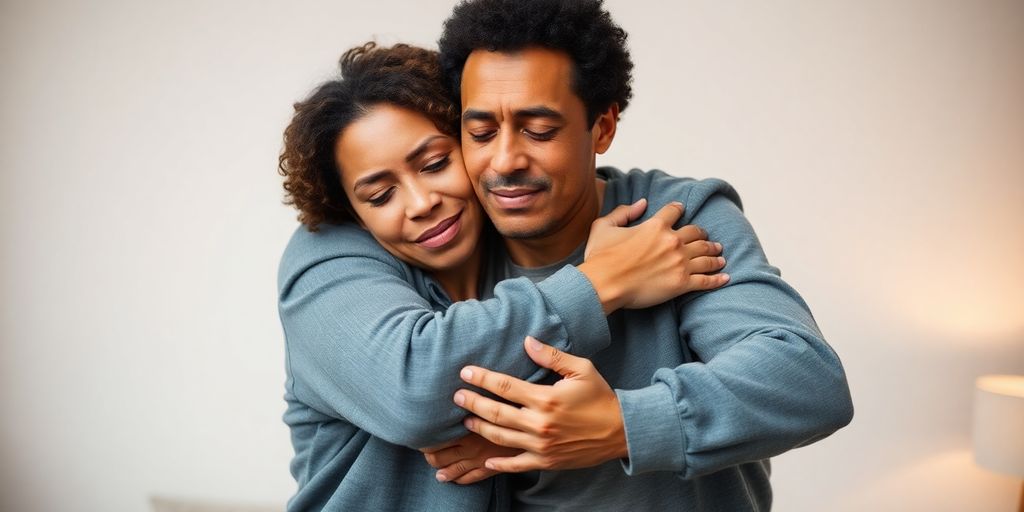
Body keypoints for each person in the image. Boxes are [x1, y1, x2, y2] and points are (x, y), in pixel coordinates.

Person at [419, 0, 855, 509]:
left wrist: (622, 425)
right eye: (481, 133)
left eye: (539, 130)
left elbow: (806, 381)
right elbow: (409, 392)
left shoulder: (678, 218)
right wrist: (603, 280)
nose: (506, 160)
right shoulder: (442, 239)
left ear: (602, 128)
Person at [277, 43, 729, 511]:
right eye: (379, 195)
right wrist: (602, 282)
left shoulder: (535, 228)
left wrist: (608, 427)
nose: (420, 202)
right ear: (351, 211)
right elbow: (415, 389)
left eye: (435, 164)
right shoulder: (327, 261)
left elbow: (794, 371)